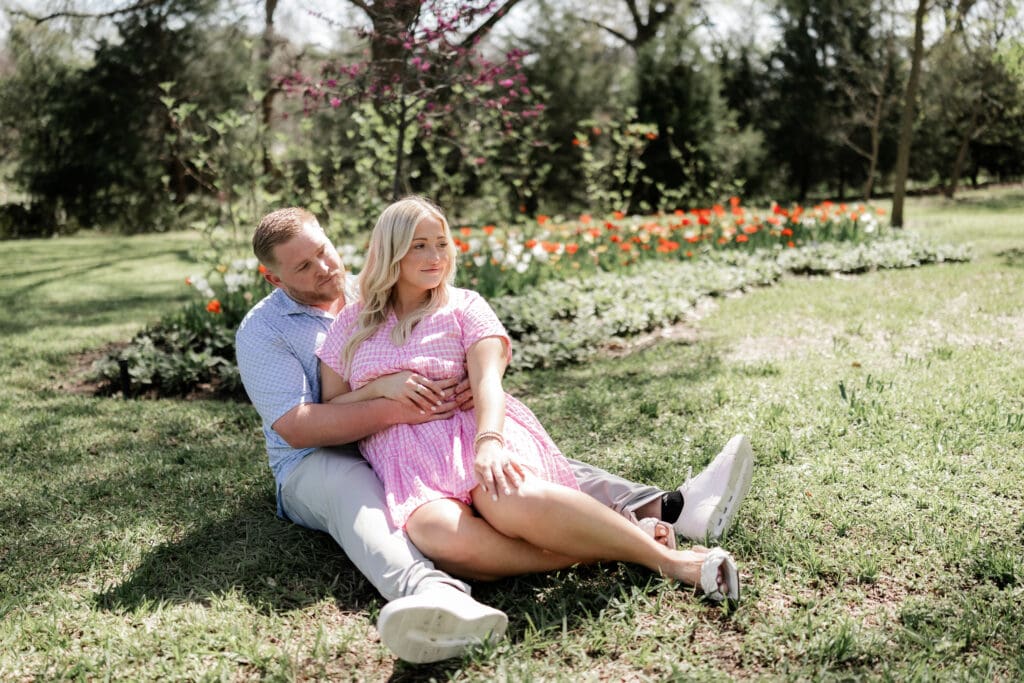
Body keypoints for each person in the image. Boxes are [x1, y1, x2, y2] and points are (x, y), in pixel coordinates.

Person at [235, 205, 754, 664]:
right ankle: (435, 592)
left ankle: (669, 509)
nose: (325, 267)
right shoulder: (266, 330)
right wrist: (394, 403)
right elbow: (303, 425)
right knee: (370, 504)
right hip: (319, 456)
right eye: (303, 266)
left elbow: (480, 370)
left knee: (514, 477)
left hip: (439, 435)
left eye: (323, 251)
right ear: (273, 278)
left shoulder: (376, 292)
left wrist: (472, 411)